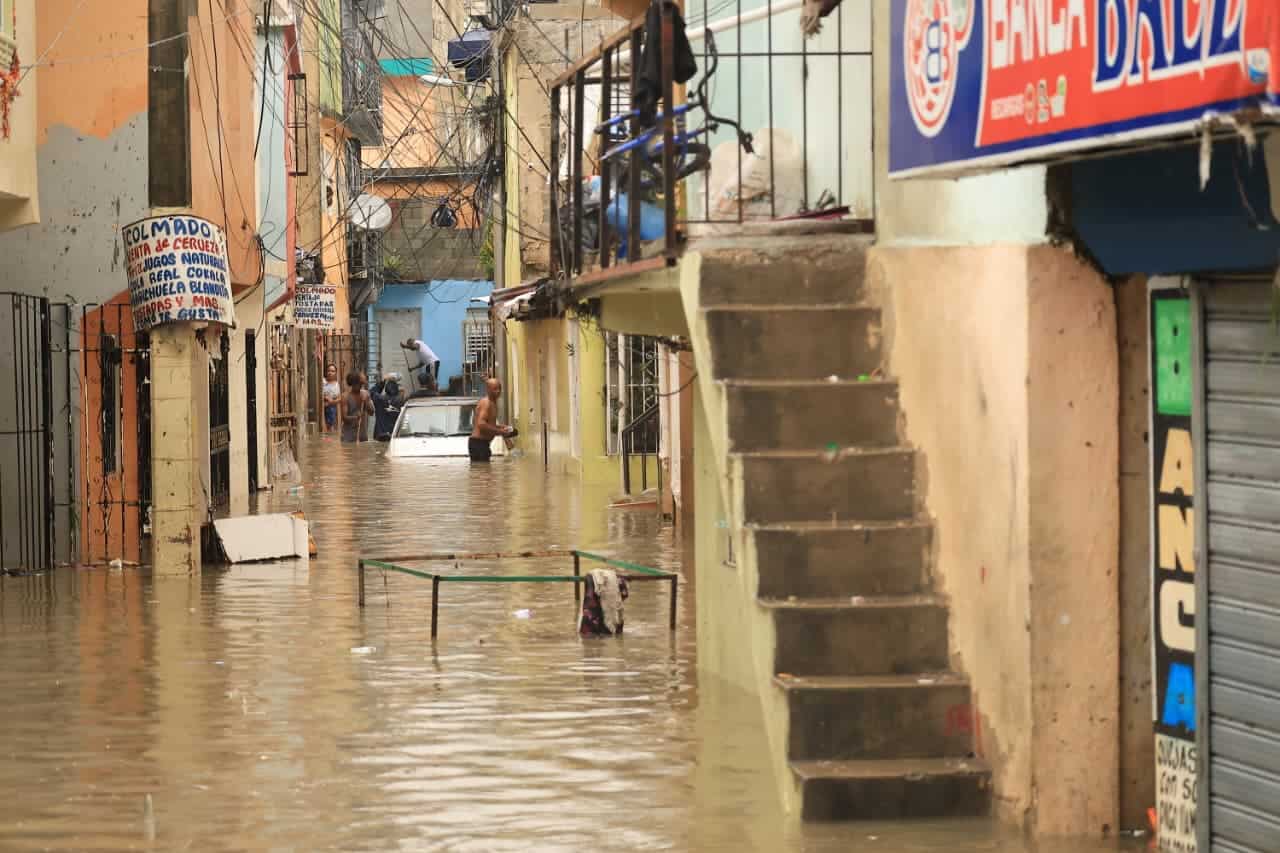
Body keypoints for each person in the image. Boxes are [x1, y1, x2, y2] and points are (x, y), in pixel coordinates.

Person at [469, 377, 516, 462]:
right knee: (483, 472)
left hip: (482, 444)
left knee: (484, 472)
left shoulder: (493, 403)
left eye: (499, 388)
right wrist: (501, 432)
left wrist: (501, 427)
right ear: (488, 389)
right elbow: (481, 424)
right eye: (494, 389)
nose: (498, 391)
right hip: (478, 444)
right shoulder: (486, 403)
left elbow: (488, 425)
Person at [339, 371, 373, 443]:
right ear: (353, 383)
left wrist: (366, 401)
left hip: (362, 435)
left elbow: (371, 412)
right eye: (359, 384)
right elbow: (344, 418)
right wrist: (355, 417)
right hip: (348, 436)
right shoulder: (345, 396)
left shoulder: (366, 394)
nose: (361, 386)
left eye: (361, 384)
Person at [372, 375, 405, 441]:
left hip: (380, 437)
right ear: (397, 390)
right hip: (394, 436)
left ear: (386, 389)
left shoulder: (379, 399)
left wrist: (382, 382)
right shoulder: (401, 401)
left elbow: (371, 392)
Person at [321, 364, 340, 433]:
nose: (330, 373)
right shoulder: (322, 381)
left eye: (333, 371)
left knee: (330, 427)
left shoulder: (336, 385)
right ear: (326, 371)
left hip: (331, 408)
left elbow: (339, 398)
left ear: (335, 373)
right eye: (329, 370)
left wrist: (331, 402)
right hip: (321, 407)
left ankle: (329, 442)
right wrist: (324, 397)